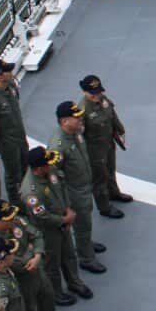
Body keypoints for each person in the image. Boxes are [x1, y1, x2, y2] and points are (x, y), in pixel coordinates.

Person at [20, 147, 90, 305]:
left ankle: (74, 283)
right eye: (47, 164)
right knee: (52, 263)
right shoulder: (31, 192)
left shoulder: (49, 170)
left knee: (69, 255)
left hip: (63, 219)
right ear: (38, 169)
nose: (50, 166)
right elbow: (42, 216)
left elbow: (61, 188)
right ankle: (56, 293)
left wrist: (67, 209)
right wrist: (64, 220)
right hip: (48, 230)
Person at [0, 200, 67, 311]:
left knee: (48, 298)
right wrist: (32, 252)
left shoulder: (15, 220)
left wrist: (38, 254)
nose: (13, 219)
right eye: (8, 218)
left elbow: (36, 234)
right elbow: (16, 263)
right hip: (23, 279)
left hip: (37, 267)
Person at [49, 102, 105, 276]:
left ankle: (86, 244)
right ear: (64, 121)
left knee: (86, 221)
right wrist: (65, 202)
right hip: (74, 191)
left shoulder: (75, 132)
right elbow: (54, 176)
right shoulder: (58, 146)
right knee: (82, 224)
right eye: (76, 117)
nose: (80, 119)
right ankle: (86, 258)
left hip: (83, 185)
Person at [79, 75, 131, 219]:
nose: (97, 95)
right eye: (93, 93)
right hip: (94, 150)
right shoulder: (82, 111)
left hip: (108, 143)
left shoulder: (103, 100)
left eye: (98, 92)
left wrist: (120, 129)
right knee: (99, 178)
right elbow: (79, 136)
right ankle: (104, 206)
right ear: (84, 92)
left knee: (110, 169)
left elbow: (112, 115)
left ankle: (114, 193)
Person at [0, 58, 28, 206]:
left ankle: (26, 195)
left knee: (24, 166)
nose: (11, 73)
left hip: (20, 135)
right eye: (7, 71)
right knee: (13, 174)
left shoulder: (11, 86)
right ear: (0, 76)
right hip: (7, 143)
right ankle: (17, 204)